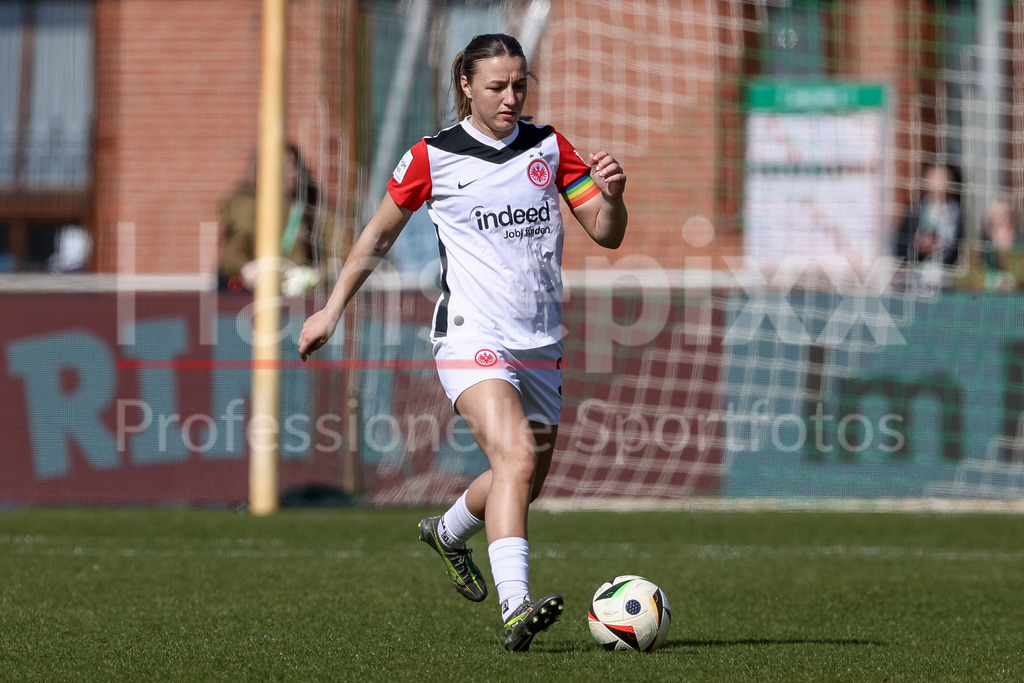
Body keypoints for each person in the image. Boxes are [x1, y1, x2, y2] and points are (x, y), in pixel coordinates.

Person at [297, 33, 627, 651]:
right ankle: (515, 607)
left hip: (540, 343)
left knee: (521, 476)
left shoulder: (550, 148)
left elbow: (606, 234)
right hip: (470, 337)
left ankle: (448, 532)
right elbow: (376, 238)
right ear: (466, 87)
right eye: (497, 86)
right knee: (518, 460)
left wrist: (613, 198)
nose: (511, 97)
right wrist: (331, 309)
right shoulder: (433, 156)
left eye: (520, 84)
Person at [218, 142, 338, 295]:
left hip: (298, 294)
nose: (293, 173)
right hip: (248, 292)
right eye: (286, 168)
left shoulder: (312, 207)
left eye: (295, 167)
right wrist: (248, 269)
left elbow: (335, 256)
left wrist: (315, 276)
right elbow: (231, 254)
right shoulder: (247, 206)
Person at [894, 162, 964, 290]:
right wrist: (917, 248)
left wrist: (941, 246)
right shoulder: (914, 212)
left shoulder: (961, 214)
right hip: (915, 285)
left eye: (943, 179)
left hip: (948, 284)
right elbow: (899, 250)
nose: (939, 184)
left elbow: (964, 250)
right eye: (934, 178)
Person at [958, 196, 1024, 292]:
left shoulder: (1021, 255)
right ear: (989, 229)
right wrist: (996, 282)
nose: (1007, 229)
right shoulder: (976, 255)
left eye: (1010, 223)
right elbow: (961, 281)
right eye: (1000, 224)